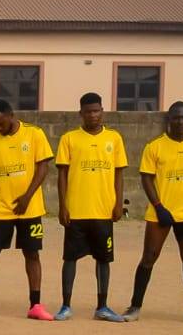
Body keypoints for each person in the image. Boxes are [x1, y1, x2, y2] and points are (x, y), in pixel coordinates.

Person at [122, 101, 183, 322]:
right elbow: (146, 178)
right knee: (149, 257)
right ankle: (134, 306)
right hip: (161, 213)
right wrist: (159, 206)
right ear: (169, 120)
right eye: (176, 118)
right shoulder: (155, 147)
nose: (180, 122)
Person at [0, 99, 55, 320]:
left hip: (30, 208)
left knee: (32, 254)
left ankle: (35, 305)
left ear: (11, 116)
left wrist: (27, 196)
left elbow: (43, 167)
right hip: (0, 208)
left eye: (1, 123)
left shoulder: (34, 134)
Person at [54, 92, 128, 322]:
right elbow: (62, 175)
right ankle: (66, 305)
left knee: (103, 259)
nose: (93, 115)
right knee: (70, 258)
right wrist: (63, 205)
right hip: (76, 210)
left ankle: (102, 306)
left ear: (102, 112)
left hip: (103, 211)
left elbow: (119, 174)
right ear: (81, 114)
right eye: (88, 112)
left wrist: (118, 203)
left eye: (96, 111)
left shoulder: (114, 139)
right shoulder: (69, 139)